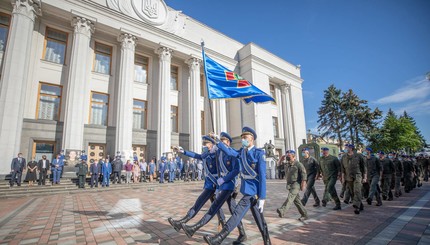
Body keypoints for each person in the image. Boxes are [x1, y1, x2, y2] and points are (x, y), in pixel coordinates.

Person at [203, 127, 271, 245]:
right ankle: (267, 241)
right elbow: (229, 151)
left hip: (253, 193)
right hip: (247, 191)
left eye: (245, 137)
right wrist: (218, 141)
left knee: (236, 214)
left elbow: (262, 177)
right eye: (242, 138)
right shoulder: (241, 152)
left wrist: (262, 197)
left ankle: (219, 238)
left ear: (252, 139)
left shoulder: (259, 154)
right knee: (260, 220)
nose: (243, 140)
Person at [181, 132, 247, 244]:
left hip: (229, 185)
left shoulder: (232, 152)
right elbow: (200, 156)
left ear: (228, 142)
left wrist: (224, 180)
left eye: (224, 141)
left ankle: (196, 229)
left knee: (219, 208)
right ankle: (241, 233)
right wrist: (184, 152)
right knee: (232, 209)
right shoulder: (219, 154)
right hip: (220, 186)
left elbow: (236, 170)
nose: (222, 142)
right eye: (221, 140)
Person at [168, 135, 226, 236]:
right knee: (210, 206)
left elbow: (224, 153)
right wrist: (183, 151)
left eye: (205, 144)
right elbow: (196, 155)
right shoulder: (206, 154)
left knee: (205, 205)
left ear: (211, 144)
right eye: (203, 144)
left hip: (215, 185)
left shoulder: (217, 154)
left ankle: (181, 223)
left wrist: (217, 141)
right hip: (209, 185)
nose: (203, 146)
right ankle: (223, 223)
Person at [276, 150, 308, 221]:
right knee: (297, 201)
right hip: (290, 185)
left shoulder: (298, 164)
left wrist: (303, 184)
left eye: (289, 156)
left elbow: (304, 174)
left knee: (290, 197)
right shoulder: (287, 164)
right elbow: (278, 167)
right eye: (287, 155)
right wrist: (281, 159)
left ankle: (282, 210)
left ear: (293, 156)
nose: (287, 157)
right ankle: (304, 214)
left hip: (296, 184)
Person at [340, 144, 367, 214]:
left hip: (358, 175)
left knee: (357, 190)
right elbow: (342, 169)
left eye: (346, 147)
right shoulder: (343, 157)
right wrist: (343, 178)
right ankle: (360, 205)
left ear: (351, 148)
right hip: (348, 177)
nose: (345, 148)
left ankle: (356, 207)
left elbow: (364, 167)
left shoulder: (358, 156)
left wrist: (365, 177)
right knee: (352, 192)